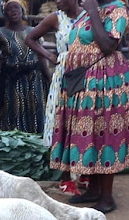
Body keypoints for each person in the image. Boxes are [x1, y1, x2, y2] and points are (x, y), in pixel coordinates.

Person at [49, 0, 129, 213]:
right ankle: (95, 190)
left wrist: (92, 11)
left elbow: (108, 46)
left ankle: (107, 197)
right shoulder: (93, 10)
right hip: (83, 82)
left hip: (105, 82)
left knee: (104, 134)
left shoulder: (117, 10)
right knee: (91, 135)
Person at [0, 0, 50, 133]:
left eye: (16, 8)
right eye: (9, 9)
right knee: (13, 110)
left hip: (34, 78)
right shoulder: (0, 33)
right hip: (12, 79)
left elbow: (41, 55)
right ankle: (15, 146)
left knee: (35, 110)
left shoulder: (33, 31)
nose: (13, 11)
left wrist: (48, 76)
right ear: (5, 14)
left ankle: (36, 144)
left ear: (22, 11)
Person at [25, 0, 82, 147]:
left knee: (82, 111)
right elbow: (30, 38)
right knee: (62, 109)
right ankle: (59, 151)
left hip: (86, 69)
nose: (57, 1)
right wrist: (49, 56)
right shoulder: (55, 18)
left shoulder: (89, 15)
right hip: (65, 72)